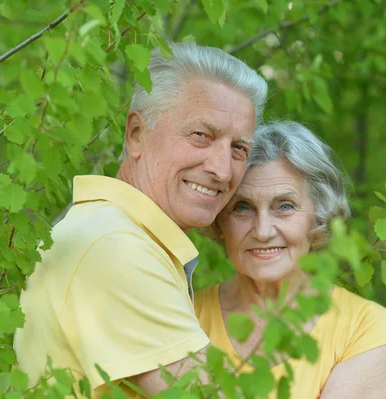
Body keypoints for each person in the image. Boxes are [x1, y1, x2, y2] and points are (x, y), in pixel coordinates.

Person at [13, 42, 267, 398]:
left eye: (239, 149)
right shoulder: (116, 247)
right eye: (201, 136)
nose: (222, 169)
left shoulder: (111, 231)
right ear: (136, 134)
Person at [195, 121, 386, 398]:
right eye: (242, 207)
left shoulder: (365, 329)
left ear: (319, 215)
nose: (262, 231)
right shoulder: (182, 317)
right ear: (220, 220)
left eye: (284, 206)